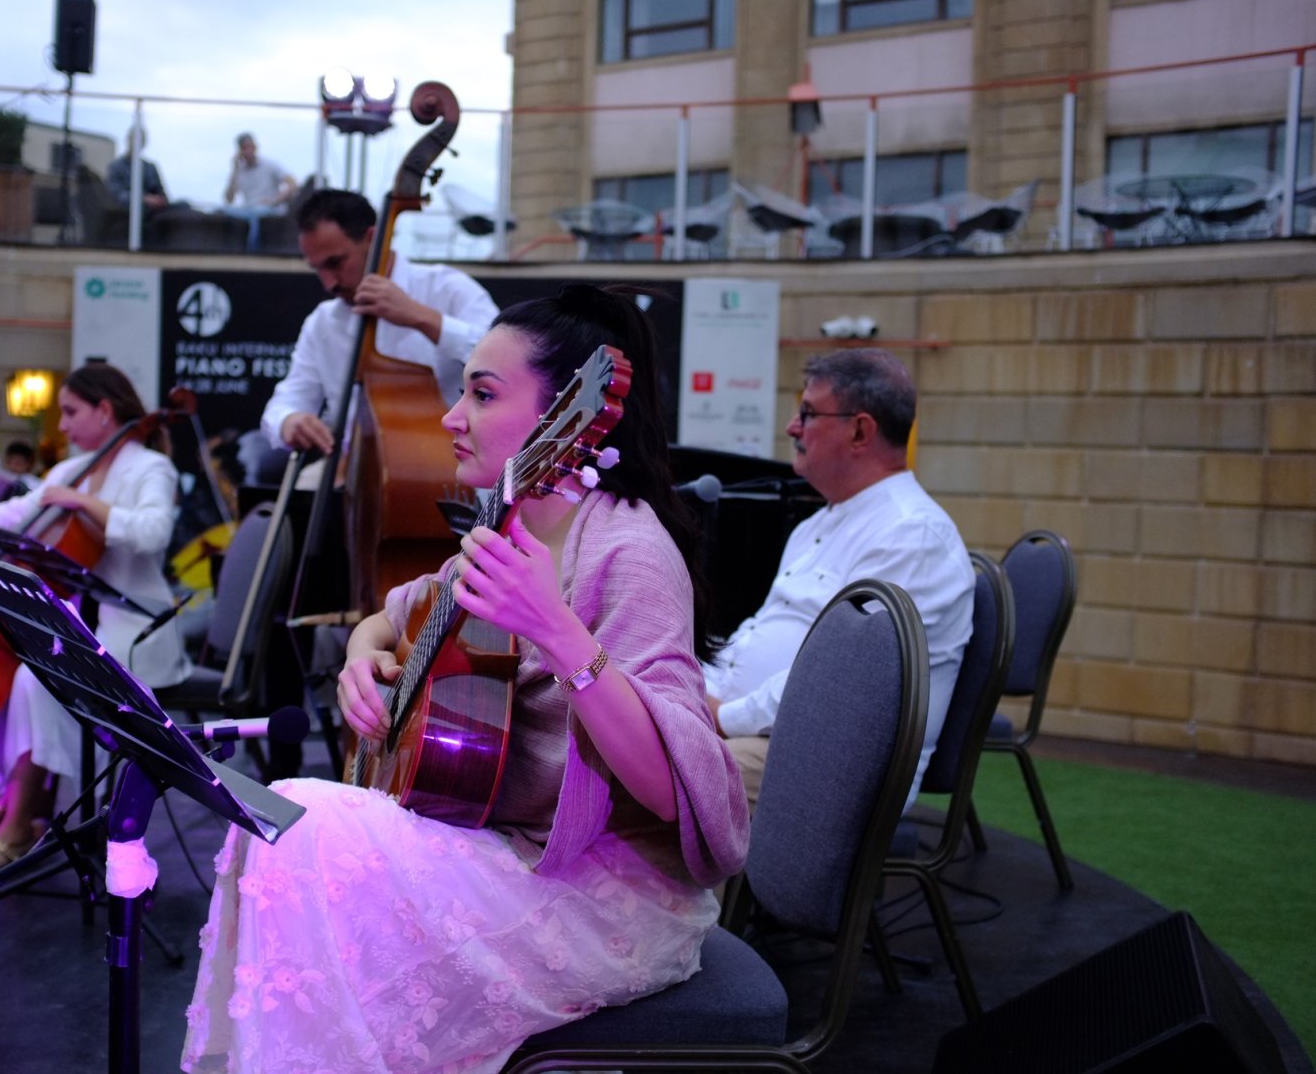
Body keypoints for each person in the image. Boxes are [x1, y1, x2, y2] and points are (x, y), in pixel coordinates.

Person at [182, 285, 748, 1074]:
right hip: (507, 852)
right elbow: (391, 616)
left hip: (610, 898)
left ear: (567, 418)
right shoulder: (505, 530)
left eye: (482, 394)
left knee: (304, 819)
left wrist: (558, 629)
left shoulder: (631, 553)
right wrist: (361, 659)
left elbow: (672, 787)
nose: (452, 417)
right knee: (281, 824)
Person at [0, 363, 191, 874]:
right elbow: (25, 509)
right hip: (81, 622)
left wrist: (84, 503)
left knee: (39, 677)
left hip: (135, 629)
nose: (64, 425)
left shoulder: (151, 468)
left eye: (71, 412)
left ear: (104, 410)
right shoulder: (69, 470)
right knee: (20, 665)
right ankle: (20, 801)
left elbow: (153, 532)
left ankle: (21, 820)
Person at [706, 347, 974, 810]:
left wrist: (723, 717)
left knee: (648, 771)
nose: (792, 427)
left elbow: (834, 684)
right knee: (620, 730)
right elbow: (762, 635)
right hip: (767, 737)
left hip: (830, 768)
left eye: (808, 413)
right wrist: (696, 687)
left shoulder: (912, 535)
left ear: (860, 430)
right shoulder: (821, 523)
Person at [258, 188, 500, 460]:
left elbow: (505, 364)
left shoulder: (448, 289)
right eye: (318, 269)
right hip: (352, 469)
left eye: (335, 263)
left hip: (450, 465)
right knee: (300, 488)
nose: (329, 283)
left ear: (373, 240)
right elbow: (286, 401)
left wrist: (422, 317)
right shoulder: (323, 322)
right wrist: (289, 420)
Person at [222, 132, 295, 252]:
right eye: (244, 148)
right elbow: (228, 199)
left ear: (255, 147)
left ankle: (253, 253)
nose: (248, 151)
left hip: (268, 209)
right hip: (247, 209)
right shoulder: (239, 171)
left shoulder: (270, 165)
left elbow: (292, 184)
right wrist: (235, 169)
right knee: (223, 210)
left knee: (256, 218)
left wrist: (275, 200)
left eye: (250, 147)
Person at [106, 127, 169, 212]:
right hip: (129, 213)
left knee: (183, 207)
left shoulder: (150, 168)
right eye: (134, 139)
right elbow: (116, 195)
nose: (137, 143)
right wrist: (144, 199)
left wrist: (158, 200)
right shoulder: (116, 167)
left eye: (141, 140)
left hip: (155, 212)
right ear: (128, 140)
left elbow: (162, 195)